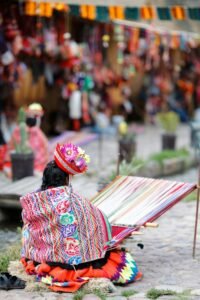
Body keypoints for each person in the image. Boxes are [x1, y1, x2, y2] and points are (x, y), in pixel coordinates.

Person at [20, 143, 142, 292]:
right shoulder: (74, 202)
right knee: (117, 260)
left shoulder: (33, 202)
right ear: (66, 179)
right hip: (73, 263)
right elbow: (99, 219)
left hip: (42, 257)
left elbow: (29, 228)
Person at [3, 103, 49, 176]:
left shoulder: (36, 132)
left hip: (32, 161)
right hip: (20, 158)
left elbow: (44, 146)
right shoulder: (19, 130)